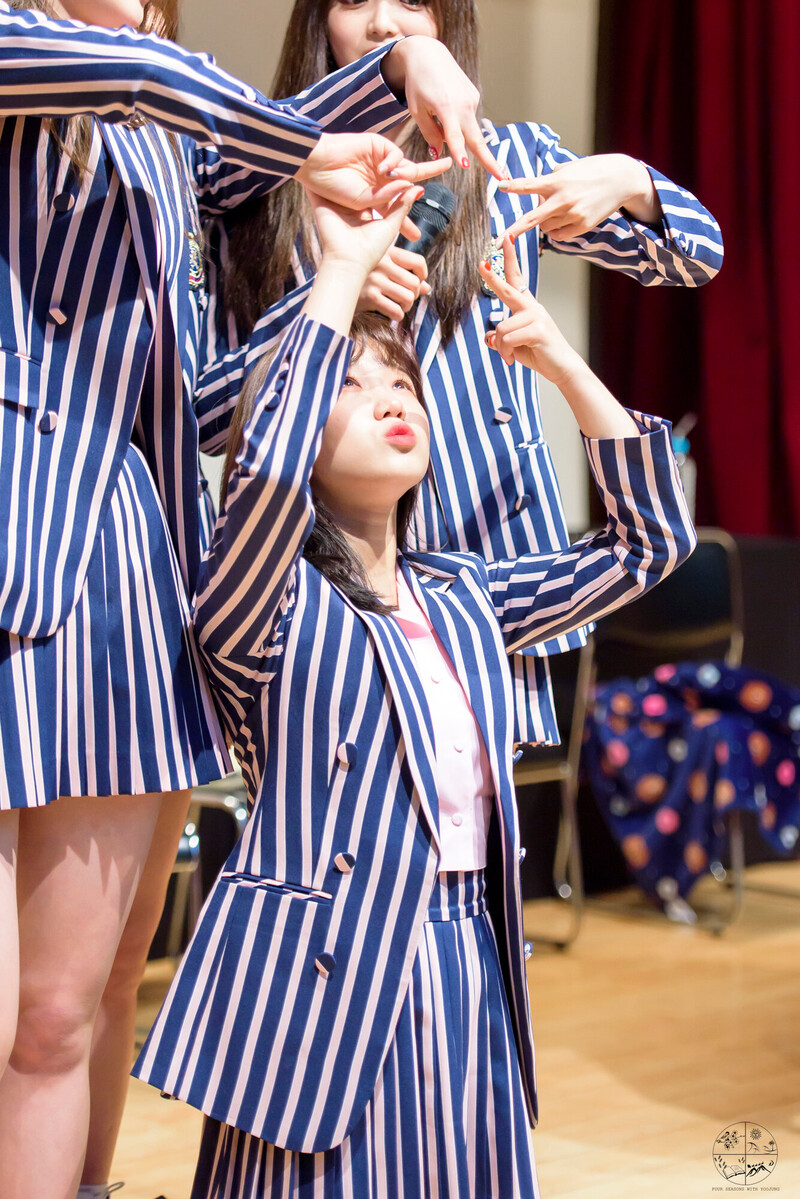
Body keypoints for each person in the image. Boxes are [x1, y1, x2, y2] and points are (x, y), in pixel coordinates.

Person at [133, 180, 696, 1198]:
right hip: (323, 974)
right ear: (294, 426)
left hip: (463, 951)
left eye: (400, 379)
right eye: (351, 385)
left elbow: (648, 540)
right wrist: (341, 273)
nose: (393, 394)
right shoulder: (262, 597)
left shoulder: (464, 591)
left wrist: (556, 361)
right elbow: (258, 482)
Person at [0, 2, 473, 1194]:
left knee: (82, 998)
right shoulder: (49, 49)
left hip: (133, 588)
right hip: (24, 560)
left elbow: (194, 398)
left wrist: (333, 282)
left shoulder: (169, 139)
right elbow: (160, 81)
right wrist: (372, 89)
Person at [196, 0, 723, 751]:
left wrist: (630, 180)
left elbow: (699, 253)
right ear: (316, 23)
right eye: (353, 1)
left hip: (489, 575)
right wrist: (330, 295)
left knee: (475, 831)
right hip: (320, 582)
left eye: (412, 1)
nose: (384, 24)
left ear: (449, 24)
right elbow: (206, 416)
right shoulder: (260, 194)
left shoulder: (507, 162)